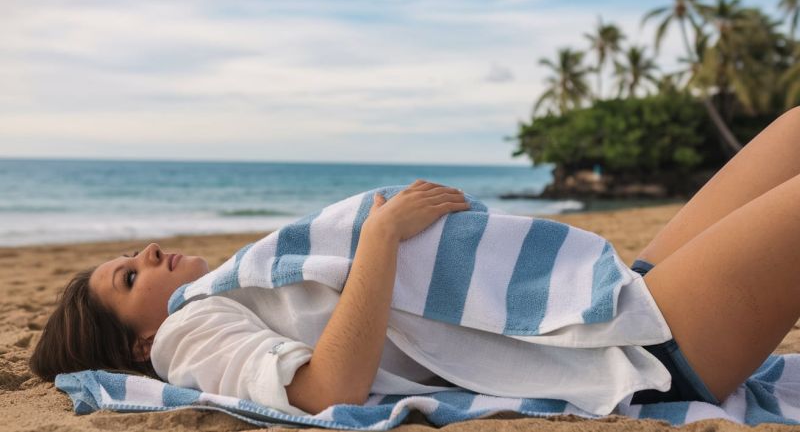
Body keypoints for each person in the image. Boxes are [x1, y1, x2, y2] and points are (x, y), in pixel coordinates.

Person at [29, 107, 800, 415]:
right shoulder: (183, 334)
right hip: (646, 352)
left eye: (131, 254)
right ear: (138, 343)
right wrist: (381, 235)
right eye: (130, 277)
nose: (150, 254)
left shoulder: (234, 285)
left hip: (612, 300)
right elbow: (326, 390)